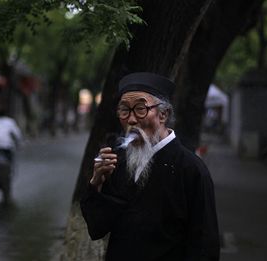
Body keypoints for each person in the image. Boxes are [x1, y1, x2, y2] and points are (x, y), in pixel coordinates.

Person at [80, 72, 220, 261]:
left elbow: (204, 246)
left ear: (163, 114)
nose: (130, 120)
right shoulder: (118, 161)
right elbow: (98, 227)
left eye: (140, 109)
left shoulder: (191, 169)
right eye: (124, 110)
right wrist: (96, 184)